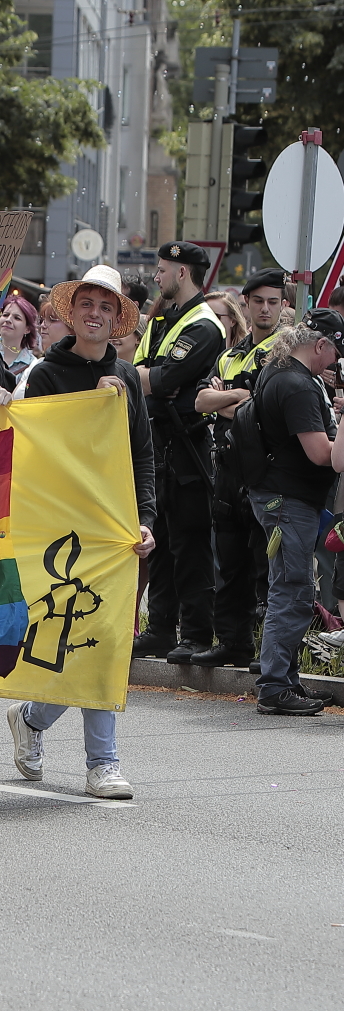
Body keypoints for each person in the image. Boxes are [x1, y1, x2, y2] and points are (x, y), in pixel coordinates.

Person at [8, 264, 155, 799]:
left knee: (110, 640)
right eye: (87, 304)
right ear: (72, 312)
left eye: (107, 306)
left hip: (113, 531)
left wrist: (145, 519)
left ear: (118, 318)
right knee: (66, 635)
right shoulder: (47, 375)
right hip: (61, 530)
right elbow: (38, 450)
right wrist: (92, 405)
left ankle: (102, 761)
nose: (96, 314)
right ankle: (33, 717)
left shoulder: (130, 379)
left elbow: (143, 457)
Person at [131, 242, 226, 662]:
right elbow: (137, 373)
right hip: (158, 443)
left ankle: (197, 634)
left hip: (188, 445)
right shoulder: (163, 319)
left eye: (162, 268)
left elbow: (165, 376)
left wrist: (150, 379)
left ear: (182, 273)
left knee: (190, 545)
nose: (156, 275)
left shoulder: (204, 325)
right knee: (162, 541)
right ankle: (160, 628)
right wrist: (150, 379)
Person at [246, 310, 344, 716]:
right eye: (335, 353)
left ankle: (282, 680)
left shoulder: (279, 371)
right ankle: (274, 686)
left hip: (279, 497)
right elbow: (324, 454)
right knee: (292, 591)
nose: (335, 362)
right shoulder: (299, 385)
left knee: (288, 588)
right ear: (320, 345)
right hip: (289, 501)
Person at [191, 268, 289, 666]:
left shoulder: (284, 352)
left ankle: (266, 650)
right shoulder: (230, 354)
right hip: (226, 467)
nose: (265, 309)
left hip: (263, 466)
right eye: (258, 301)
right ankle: (233, 641)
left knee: (264, 567)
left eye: (273, 302)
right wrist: (238, 399)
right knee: (229, 562)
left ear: (284, 307)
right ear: (245, 304)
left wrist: (226, 400)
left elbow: (261, 406)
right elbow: (199, 402)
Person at [0, 295, 39, 377]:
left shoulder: (32, 366)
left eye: (17, 318)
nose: (8, 320)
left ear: (28, 329)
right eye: (5, 315)